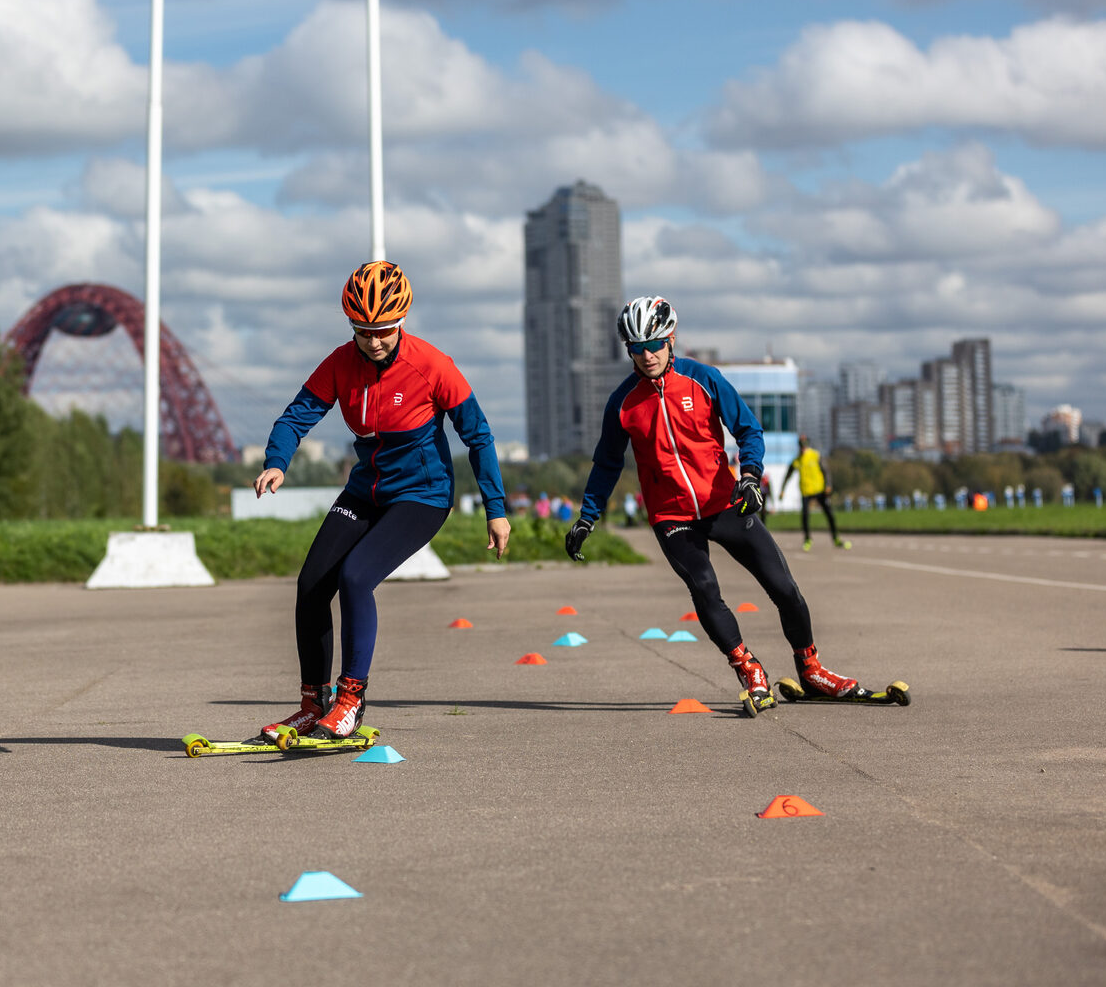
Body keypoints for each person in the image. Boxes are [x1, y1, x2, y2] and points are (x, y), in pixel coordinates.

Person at [562, 295, 875, 712]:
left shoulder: (704, 379)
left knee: (784, 588)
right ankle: (749, 669)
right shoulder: (623, 403)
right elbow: (606, 464)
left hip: (725, 502)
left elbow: (749, 430)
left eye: (654, 343)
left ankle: (811, 669)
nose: (647, 355)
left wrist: (750, 477)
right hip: (672, 515)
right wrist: (587, 518)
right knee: (705, 588)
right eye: (636, 349)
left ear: (671, 338)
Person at [254, 260, 511, 740]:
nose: (374, 342)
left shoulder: (433, 366)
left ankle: (352, 699)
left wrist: (496, 510)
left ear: (402, 321)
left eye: (384, 331)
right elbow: (296, 417)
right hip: (365, 491)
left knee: (355, 577)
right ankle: (314, 704)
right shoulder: (338, 363)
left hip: (422, 497)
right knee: (311, 586)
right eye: (363, 331)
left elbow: (479, 436)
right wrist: (277, 462)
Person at [778, 435, 850, 551]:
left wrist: (828, 485)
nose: (803, 449)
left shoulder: (816, 455)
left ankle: (836, 537)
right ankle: (807, 539)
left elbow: (825, 471)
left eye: (804, 446)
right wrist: (782, 490)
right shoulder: (796, 460)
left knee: (829, 514)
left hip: (819, 490)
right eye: (801, 446)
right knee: (805, 516)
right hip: (806, 491)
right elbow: (788, 475)